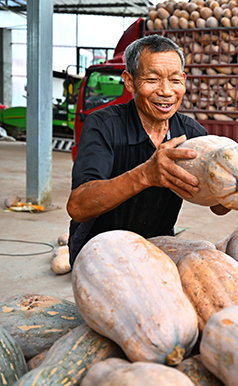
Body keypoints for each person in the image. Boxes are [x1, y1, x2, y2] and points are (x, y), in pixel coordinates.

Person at [66, 34, 208, 265]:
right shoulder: (103, 124)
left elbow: (218, 206)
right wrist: (146, 174)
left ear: (183, 80)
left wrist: (235, 181)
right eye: (152, 80)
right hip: (100, 255)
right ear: (130, 81)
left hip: (157, 251)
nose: (166, 91)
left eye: (174, 80)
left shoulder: (191, 132)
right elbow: (78, 206)